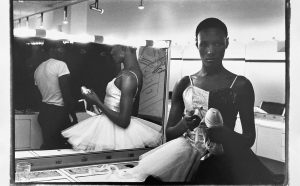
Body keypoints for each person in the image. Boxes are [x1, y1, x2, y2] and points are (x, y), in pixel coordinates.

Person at [128, 17, 279, 184]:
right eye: (204, 44)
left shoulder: (241, 85)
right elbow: (169, 133)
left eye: (217, 44)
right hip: (184, 157)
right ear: (196, 44)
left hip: (228, 159)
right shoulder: (184, 83)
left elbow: (249, 138)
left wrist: (225, 133)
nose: (210, 51)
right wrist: (184, 124)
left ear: (227, 43)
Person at [62, 45, 161, 151]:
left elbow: (123, 121)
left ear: (124, 48)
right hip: (109, 125)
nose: (111, 51)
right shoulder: (128, 72)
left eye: (114, 46)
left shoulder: (129, 76)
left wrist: (97, 101)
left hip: (115, 131)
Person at [34, 39, 78, 150]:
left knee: (49, 148)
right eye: (60, 47)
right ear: (52, 49)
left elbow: (38, 95)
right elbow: (66, 92)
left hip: (44, 113)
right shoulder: (60, 65)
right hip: (58, 113)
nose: (62, 50)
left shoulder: (38, 69)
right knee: (62, 149)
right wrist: (73, 116)